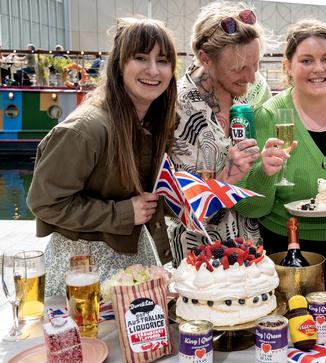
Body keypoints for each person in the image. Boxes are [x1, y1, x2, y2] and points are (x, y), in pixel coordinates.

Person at [27, 18, 178, 295]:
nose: (154, 70)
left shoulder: (154, 123)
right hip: (82, 275)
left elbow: (151, 196)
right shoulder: (84, 130)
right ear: (120, 64)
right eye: (141, 58)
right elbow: (44, 203)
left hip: (133, 265)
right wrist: (121, 213)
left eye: (163, 60)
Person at [237, 19, 326, 288]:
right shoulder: (266, 117)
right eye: (306, 61)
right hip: (291, 251)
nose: (318, 69)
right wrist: (265, 173)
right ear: (287, 66)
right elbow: (252, 207)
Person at [169, 2, 273, 266]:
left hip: (250, 251)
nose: (251, 77)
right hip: (198, 258)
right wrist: (226, 178)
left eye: (256, 64)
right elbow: (172, 203)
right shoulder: (174, 107)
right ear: (205, 58)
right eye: (239, 69)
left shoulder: (255, 91)